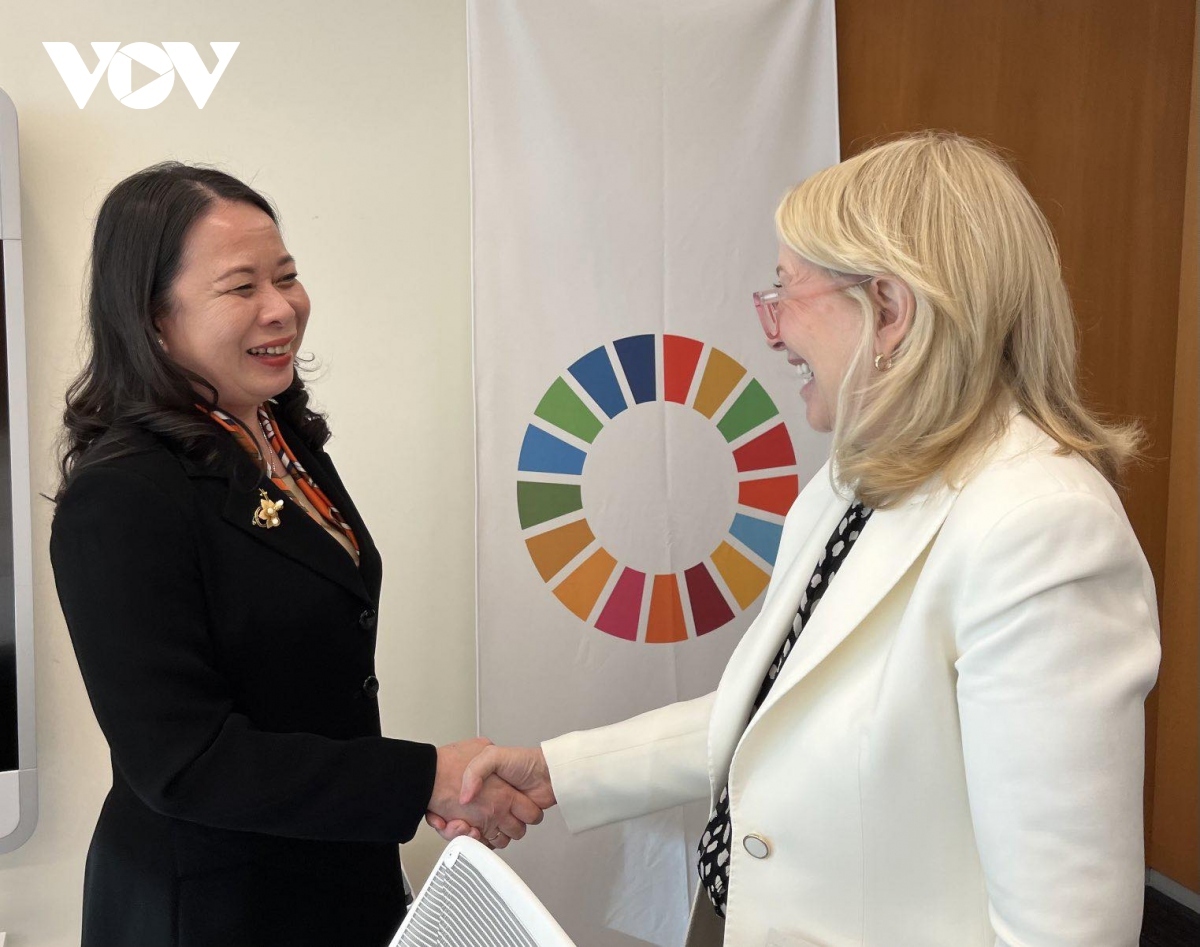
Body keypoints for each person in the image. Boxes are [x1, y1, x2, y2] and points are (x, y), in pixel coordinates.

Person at [431, 132, 1162, 946]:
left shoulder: (1043, 529)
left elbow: (1066, 930)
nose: (771, 330)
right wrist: (558, 769)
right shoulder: (856, 481)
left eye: (785, 293)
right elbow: (776, 710)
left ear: (888, 308)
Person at [50, 163, 539, 947]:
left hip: (328, 878)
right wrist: (423, 777)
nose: (283, 308)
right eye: (241, 287)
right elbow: (184, 760)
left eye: (287, 277)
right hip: (213, 912)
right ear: (152, 317)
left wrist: (418, 790)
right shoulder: (123, 496)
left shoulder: (279, 434)